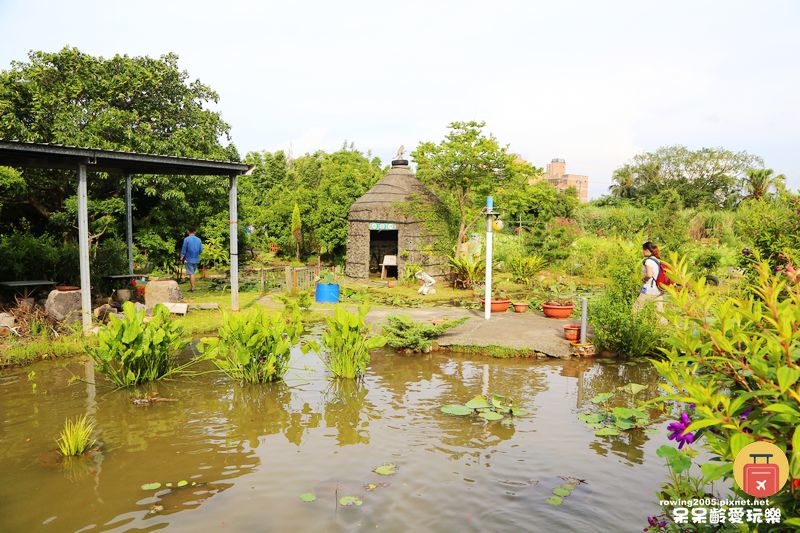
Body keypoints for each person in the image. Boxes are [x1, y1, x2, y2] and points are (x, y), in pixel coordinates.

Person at [633, 241, 665, 315]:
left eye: (643, 250)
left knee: (636, 309)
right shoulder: (658, 260)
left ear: (647, 250)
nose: (642, 252)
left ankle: (632, 324)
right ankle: (663, 325)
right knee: (659, 313)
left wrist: (643, 279)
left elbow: (649, 275)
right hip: (659, 290)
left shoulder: (649, 261)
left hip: (648, 290)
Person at [180, 227, 203, 292]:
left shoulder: (186, 239)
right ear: (195, 232)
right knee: (192, 273)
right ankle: (192, 287)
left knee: (191, 273)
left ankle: (193, 288)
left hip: (189, 259)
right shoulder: (199, 239)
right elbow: (201, 250)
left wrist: (182, 256)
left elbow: (184, 248)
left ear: (188, 231)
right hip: (196, 259)